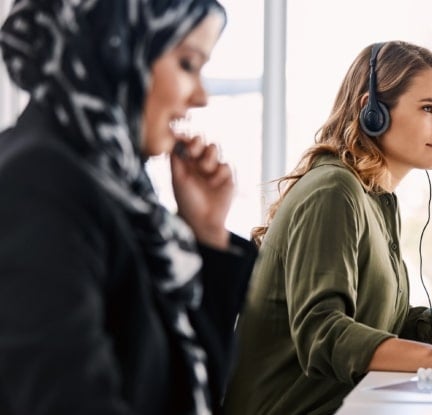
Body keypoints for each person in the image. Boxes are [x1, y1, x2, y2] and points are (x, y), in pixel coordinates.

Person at [223, 40, 432, 415]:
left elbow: (389, 321)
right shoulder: (333, 190)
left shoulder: (375, 198)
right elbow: (323, 333)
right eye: (429, 109)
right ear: (372, 111)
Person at [0, 1, 257, 414]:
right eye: (188, 63)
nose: (202, 96)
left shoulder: (115, 185)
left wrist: (206, 232)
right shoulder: (39, 183)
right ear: (114, 48)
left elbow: (189, 387)